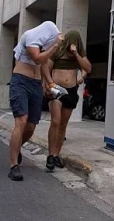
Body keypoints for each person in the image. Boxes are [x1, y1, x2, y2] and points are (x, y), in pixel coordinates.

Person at [8, 21, 64, 181]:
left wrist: (50, 82)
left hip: (35, 84)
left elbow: (44, 64)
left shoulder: (43, 43)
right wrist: (55, 46)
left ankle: (16, 147)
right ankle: (13, 166)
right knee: (21, 120)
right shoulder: (31, 37)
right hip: (20, 81)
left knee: (31, 125)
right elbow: (38, 58)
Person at [43, 30, 91, 171]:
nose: (72, 44)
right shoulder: (57, 52)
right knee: (55, 121)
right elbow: (46, 67)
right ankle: (51, 155)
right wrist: (48, 84)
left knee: (63, 124)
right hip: (57, 90)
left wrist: (77, 56)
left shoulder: (79, 55)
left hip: (71, 91)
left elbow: (87, 68)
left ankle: (56, 154)